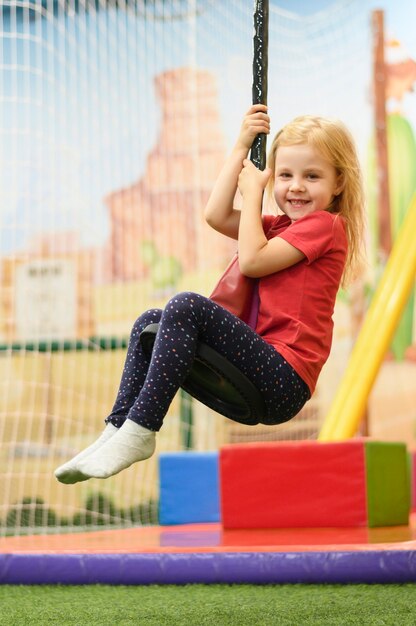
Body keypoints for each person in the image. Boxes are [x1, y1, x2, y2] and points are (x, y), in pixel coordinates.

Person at [55, 104, 365, 484]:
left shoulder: (326, 226)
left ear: (338, 184)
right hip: (259, 373)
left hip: (284, 379)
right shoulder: (278, 225)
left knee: (186, 305)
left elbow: (252, 261)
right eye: (284, 175)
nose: (295, 186)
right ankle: (118, 429)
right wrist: (241, 145)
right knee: (149, 324)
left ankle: (142, 428)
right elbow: (216, 215)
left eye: (312, 176)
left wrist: (254, 195)